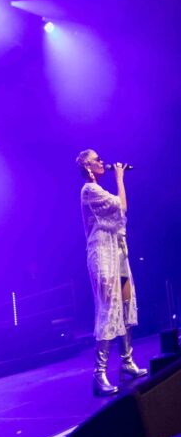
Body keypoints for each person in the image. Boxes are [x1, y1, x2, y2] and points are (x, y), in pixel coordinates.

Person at [76, 150, 147, 397]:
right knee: (108, 307)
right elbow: (121, 206)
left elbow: (119, 214)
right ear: (87, 166)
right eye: (97, 159)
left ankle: (127, 361)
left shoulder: (99, 190)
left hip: (118, 256)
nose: (102, 162)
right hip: (103, 258)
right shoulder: (89, 191)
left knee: (126, 302)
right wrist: (119, 177)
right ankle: (99, 374)